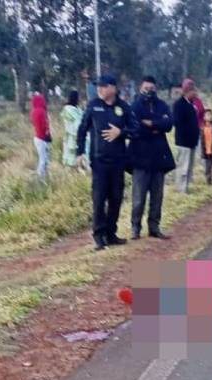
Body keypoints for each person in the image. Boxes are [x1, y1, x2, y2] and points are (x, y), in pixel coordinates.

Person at [76, 75, 139, 251]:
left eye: (103, 86)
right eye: (98, 87)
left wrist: (121, 132)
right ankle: (99, 236)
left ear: (113, 88)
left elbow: (135, 129)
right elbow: (82, 129)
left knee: (116, 199)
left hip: (118, 161)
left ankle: (111, 234)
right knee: (98, 199)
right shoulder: (93, 105)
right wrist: (79, 152)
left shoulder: (123, 107)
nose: (99, 90)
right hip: (99, 161)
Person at [127, 76, 175, 240]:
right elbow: (135, 128)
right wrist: (157, 125)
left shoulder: (162, 105)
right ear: (141, 87)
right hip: (140, 159)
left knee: (157, 197)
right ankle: (135, 228)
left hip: (158, 159)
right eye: (146, 88)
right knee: (139, 198)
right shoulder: (134, 106)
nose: (149, 91)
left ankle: (154, 227)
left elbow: (168, 124)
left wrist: (151, 123)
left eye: (152, 88)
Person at [173, 78, 201, 194]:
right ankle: (181, 189)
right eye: (192, 91)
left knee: (189, 167)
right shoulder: (179, 105)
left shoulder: (192, 105)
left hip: (192, 142)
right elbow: (178, 123)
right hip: (183, 141)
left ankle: (186, 187)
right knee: (183, 167)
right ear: (186, 92)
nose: (194, 93)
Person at [60, 90, 88, 167]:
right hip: (72, 134)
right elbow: (77, 121)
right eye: (78, 97)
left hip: (79, 134)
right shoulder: (68, 109)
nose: (80, 99)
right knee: (71, 153)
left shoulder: (77, 109)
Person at [30, 94, 52, 181]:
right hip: (43, 138)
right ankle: (40, 178)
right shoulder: (42, 111)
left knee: (43, 158)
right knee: (44, 160)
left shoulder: (34, 111)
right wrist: (48, 134)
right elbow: (44, 126)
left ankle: (44, 178)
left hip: (37, 138)